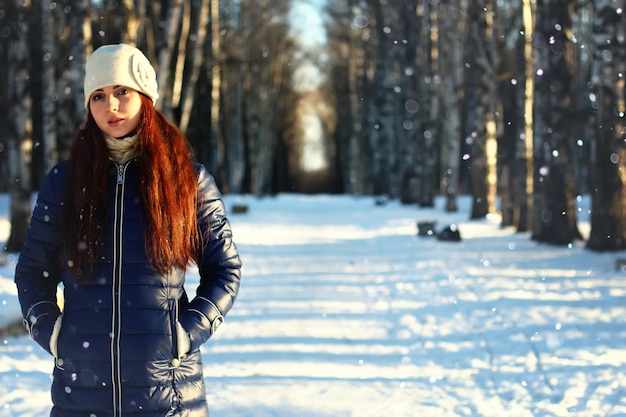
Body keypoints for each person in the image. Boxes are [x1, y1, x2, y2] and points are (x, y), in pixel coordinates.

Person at [14, 43, 242, 417]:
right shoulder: (65, 182)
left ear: (145, 97)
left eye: (122, 92)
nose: (111, 106)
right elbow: (32, 271)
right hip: (82, 394)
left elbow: (225, 270)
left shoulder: (187, 179)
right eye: (99, 96)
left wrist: (185, 333)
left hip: (170, 395)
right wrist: (52, 334)